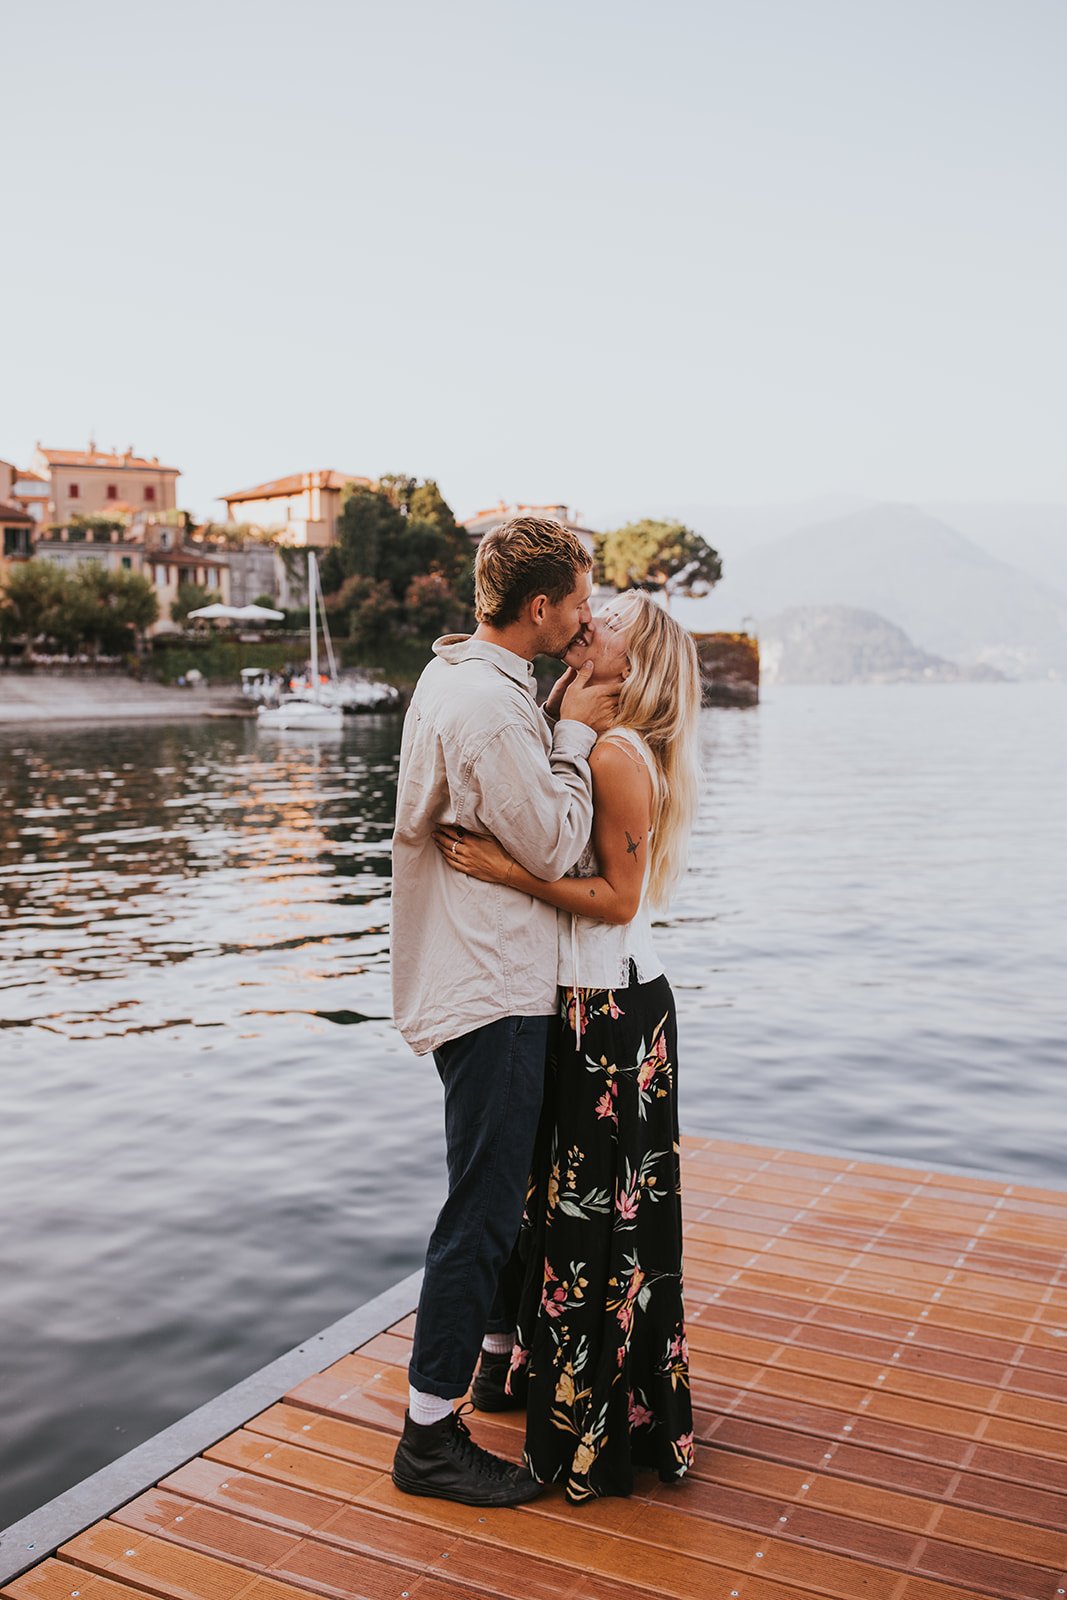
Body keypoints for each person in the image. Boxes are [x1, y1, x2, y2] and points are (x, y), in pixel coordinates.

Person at [434, 589, 701, 1502]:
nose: (596, 620)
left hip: (615, 1012)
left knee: (597, 1219)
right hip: (578, 1005)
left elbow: (620, 902)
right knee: (560, 1207)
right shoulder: (575, 726)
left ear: (640, 661)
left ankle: (601, 1412)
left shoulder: (622, 756)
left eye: (615, 620)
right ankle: (530, 1375)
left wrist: (506, 870)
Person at [389, 515, 620, 1507]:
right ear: (540, 607)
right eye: (577, 597)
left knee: (500, 1197)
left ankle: (492, 1358)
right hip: (488, 987)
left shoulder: (467, 675)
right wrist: (576, 727)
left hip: (473, 973)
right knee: (479, 1213)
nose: (586, 613)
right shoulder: (489, 707)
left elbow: (517, 828)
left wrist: (557, 701)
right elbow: (563, 843)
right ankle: (428, 1435)